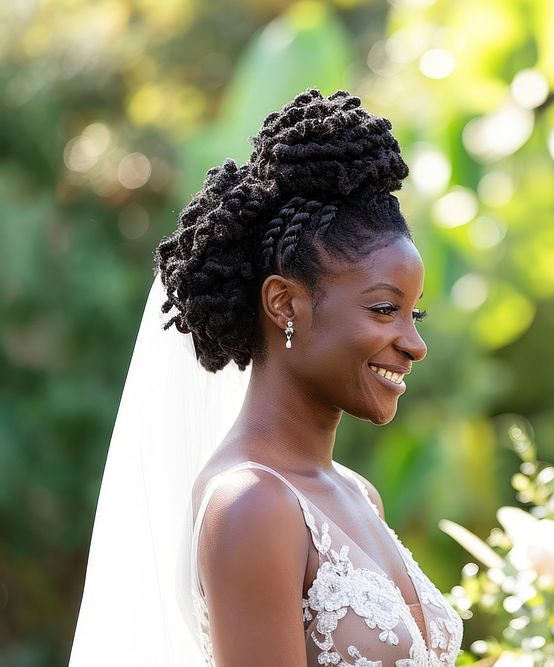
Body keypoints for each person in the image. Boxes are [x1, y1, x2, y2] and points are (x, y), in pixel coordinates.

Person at [70, 89, 462, 666]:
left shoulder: (357, 495)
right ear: (284, 304)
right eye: (384, 309)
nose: (414, 343)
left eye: (414, 313)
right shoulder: (252, 505)